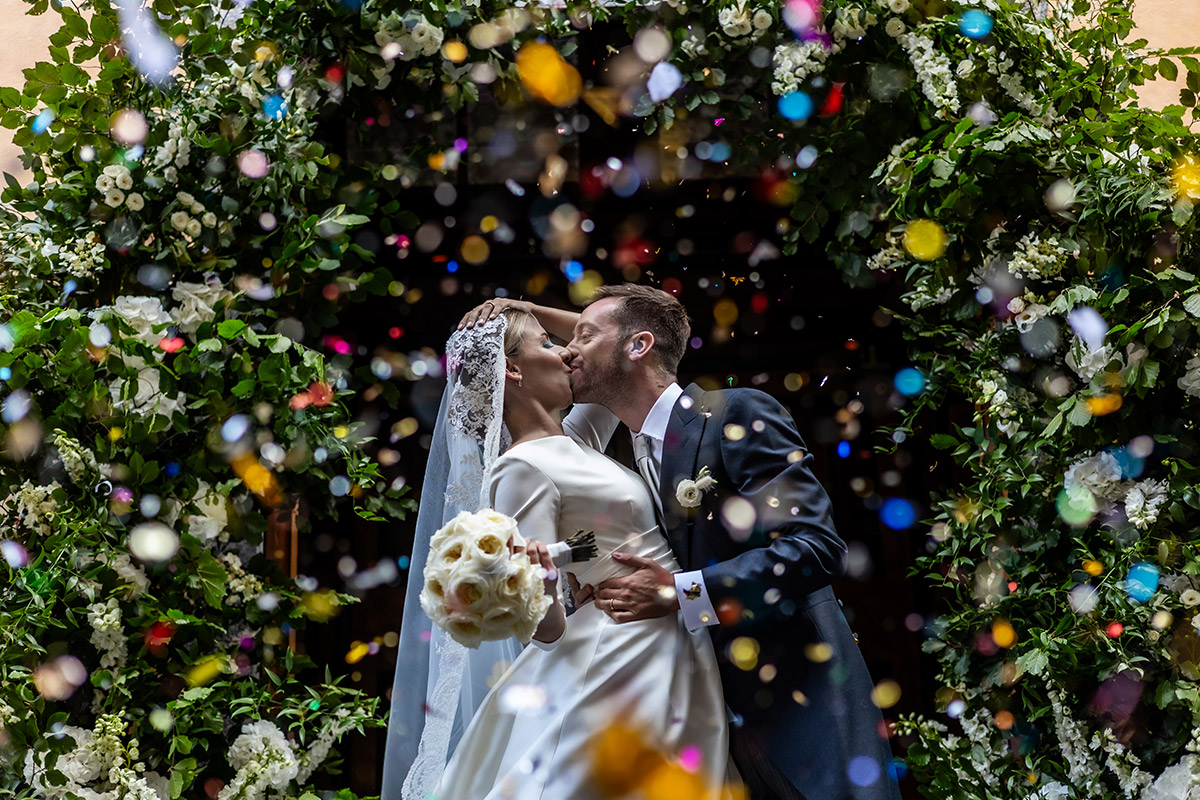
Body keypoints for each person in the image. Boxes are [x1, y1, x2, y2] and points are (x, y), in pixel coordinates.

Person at [461, 285, 901, 800]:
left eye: (584, 335)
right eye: (559, 339)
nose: (567, 349)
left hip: (794, 699)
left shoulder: (733, 414)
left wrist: (527, 312)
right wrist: (565, 578)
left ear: (639, 346)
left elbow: (816, 546)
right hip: (684, 694)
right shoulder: (605, 447)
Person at [382, 306, 737, 800]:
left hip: (670, 629)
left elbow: (619, 335)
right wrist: (547, 588)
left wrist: (520, 307)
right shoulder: (520, 467)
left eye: (565, 342)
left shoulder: (579, 435)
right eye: (549, 345)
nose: (568, 351)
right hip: (618, 651)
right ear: (512, 368)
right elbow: (543, 631)